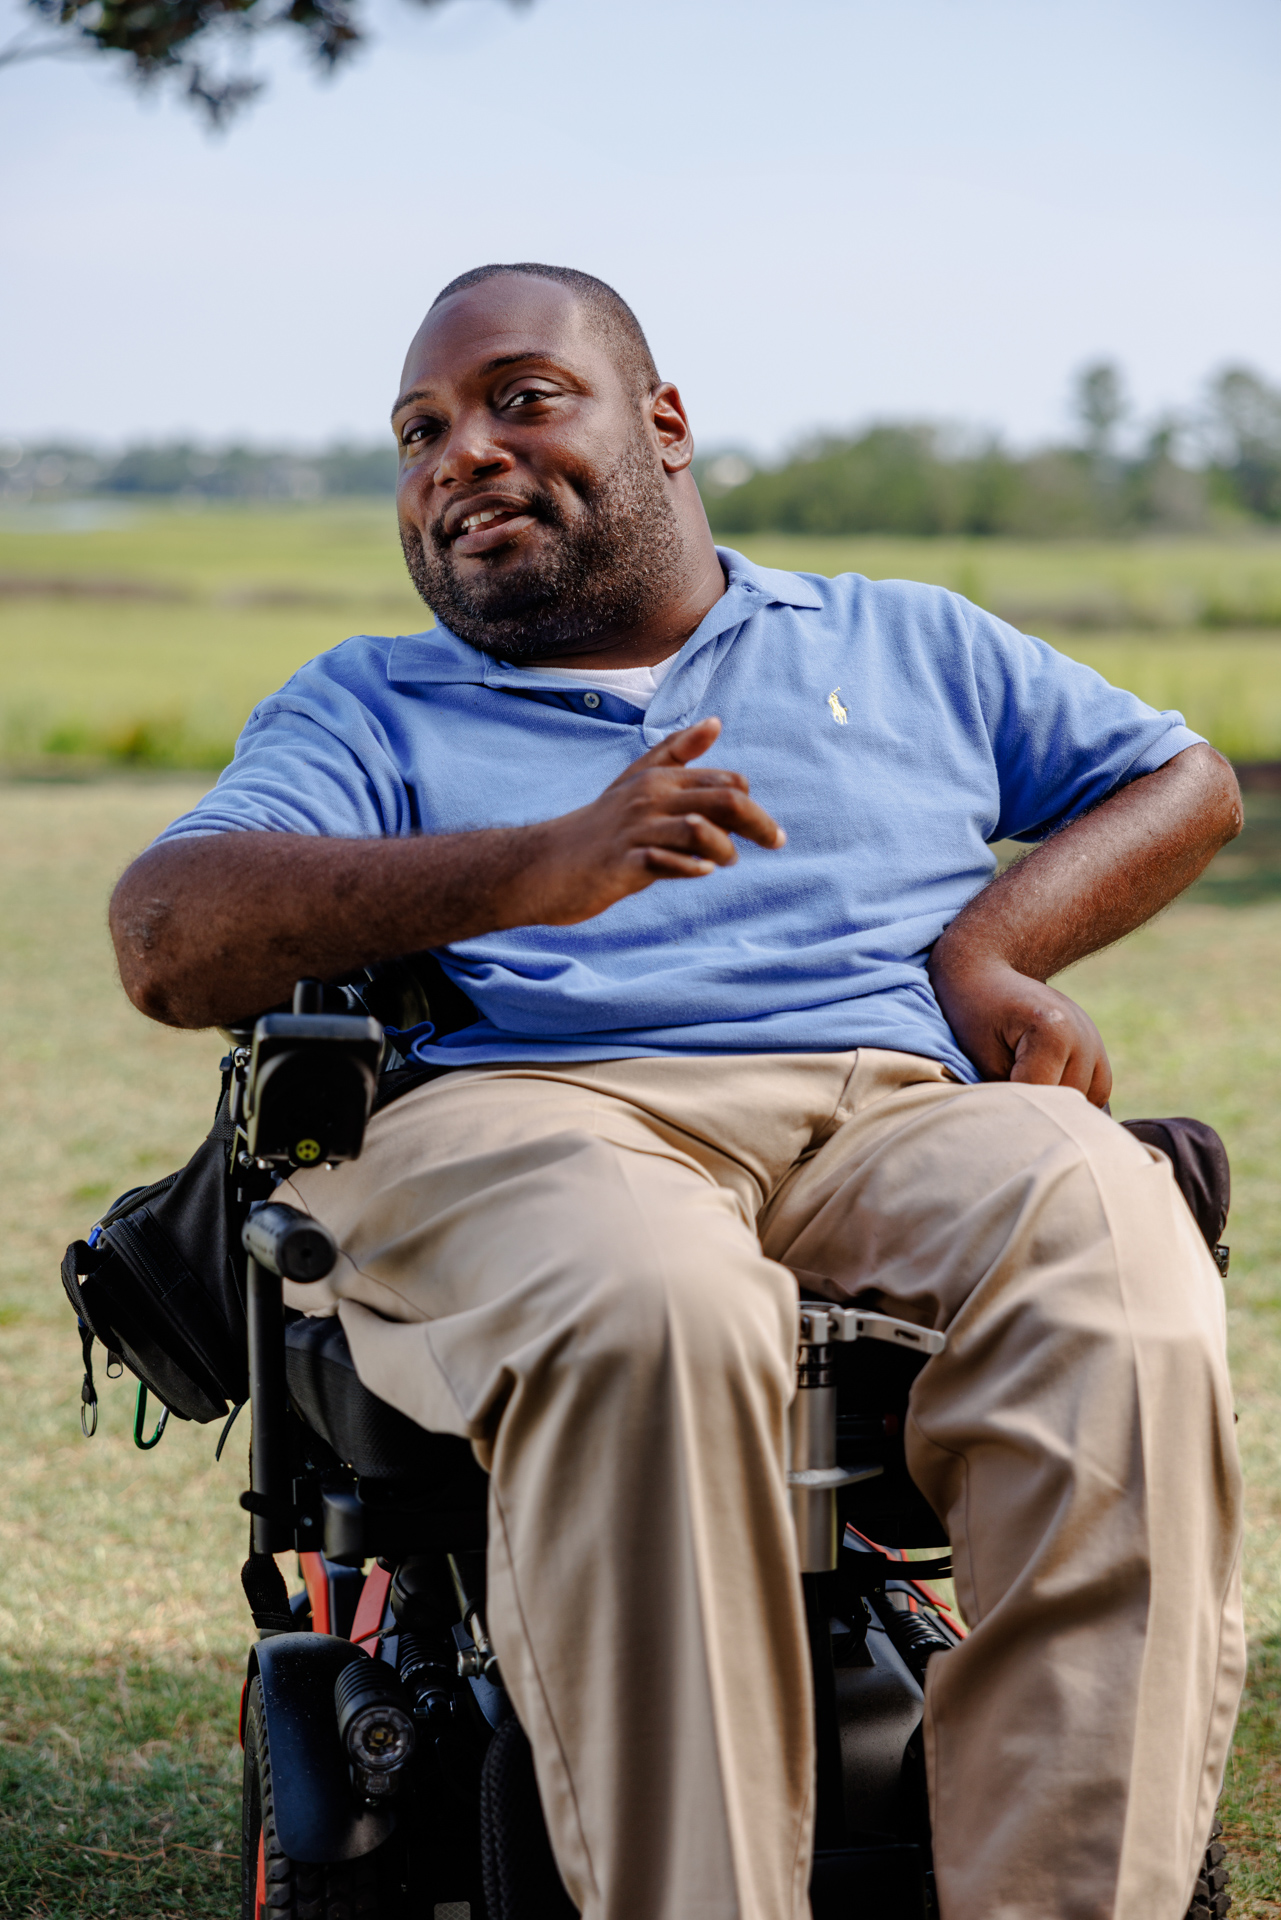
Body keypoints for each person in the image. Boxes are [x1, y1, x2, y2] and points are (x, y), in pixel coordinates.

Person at [110, 263, 1245, 1920]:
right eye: (419, 431)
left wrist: (991, 953)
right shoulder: (367, 704)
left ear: (663, 425)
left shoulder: (898, 638)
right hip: (536, 1112)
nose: (459, 455)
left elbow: (1184, 778)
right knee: (658, 1304)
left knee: (1115, 1253)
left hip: (889, 1103)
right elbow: (164, 934)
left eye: (519, 397)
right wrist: (531, 865)